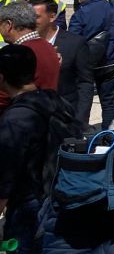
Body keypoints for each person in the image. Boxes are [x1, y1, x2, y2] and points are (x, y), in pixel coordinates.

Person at [0, 45, 77, 252]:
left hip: (28, 210)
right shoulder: (56, 101)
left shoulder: (15, 120)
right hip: (59, 198)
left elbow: (5, 180)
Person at [68, 0, 114, 129]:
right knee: (109, 102)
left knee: (83, 104)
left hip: (86, 67)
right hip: (111, 62)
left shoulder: (81, 14)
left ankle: (81, 137)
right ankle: (109, 135)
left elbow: (73, 40)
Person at [33, 0, 95, 126]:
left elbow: (85, 83)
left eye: (36, 17)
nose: (31, 21)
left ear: (52, 17)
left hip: (65, 116)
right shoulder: (27, 44)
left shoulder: (75, 43)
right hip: (35, 116)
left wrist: (80, 119)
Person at [0, 0, 61, 117]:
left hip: (19, 119)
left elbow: (4, 95)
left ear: (8, 25)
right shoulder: (47, 46)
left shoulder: (21, 54)